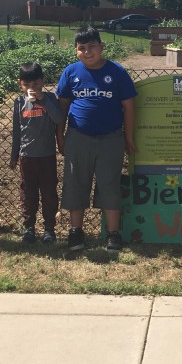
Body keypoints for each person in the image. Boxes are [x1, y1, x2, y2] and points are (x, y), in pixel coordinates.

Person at [56, 25, 136, 253]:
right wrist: (60, 135)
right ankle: (76, 232)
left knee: (110, 185)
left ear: (102, 47)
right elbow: (62, 106)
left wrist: (128, 137)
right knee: (76, 183)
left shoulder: (117, 72)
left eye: (92, 47)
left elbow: (129, 106)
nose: (87, 52)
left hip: (111, 138)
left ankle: (113, 233)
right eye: (81, 48)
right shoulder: (71, 72)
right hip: (78, 137)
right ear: (75, 50)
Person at [10, 61, 63, 245]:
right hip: (27, 156)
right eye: (27, 85)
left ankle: (49, 228)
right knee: (28, 192)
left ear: (42, 81)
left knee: (49, 192)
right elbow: (17, 131)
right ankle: (29, 228)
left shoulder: (50, 98)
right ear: (20, 84)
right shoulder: (19, 102)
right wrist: (14, 155)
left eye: (36, 84)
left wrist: (44, 100)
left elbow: (58, 118)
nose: (31, 88)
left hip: (47, 155)